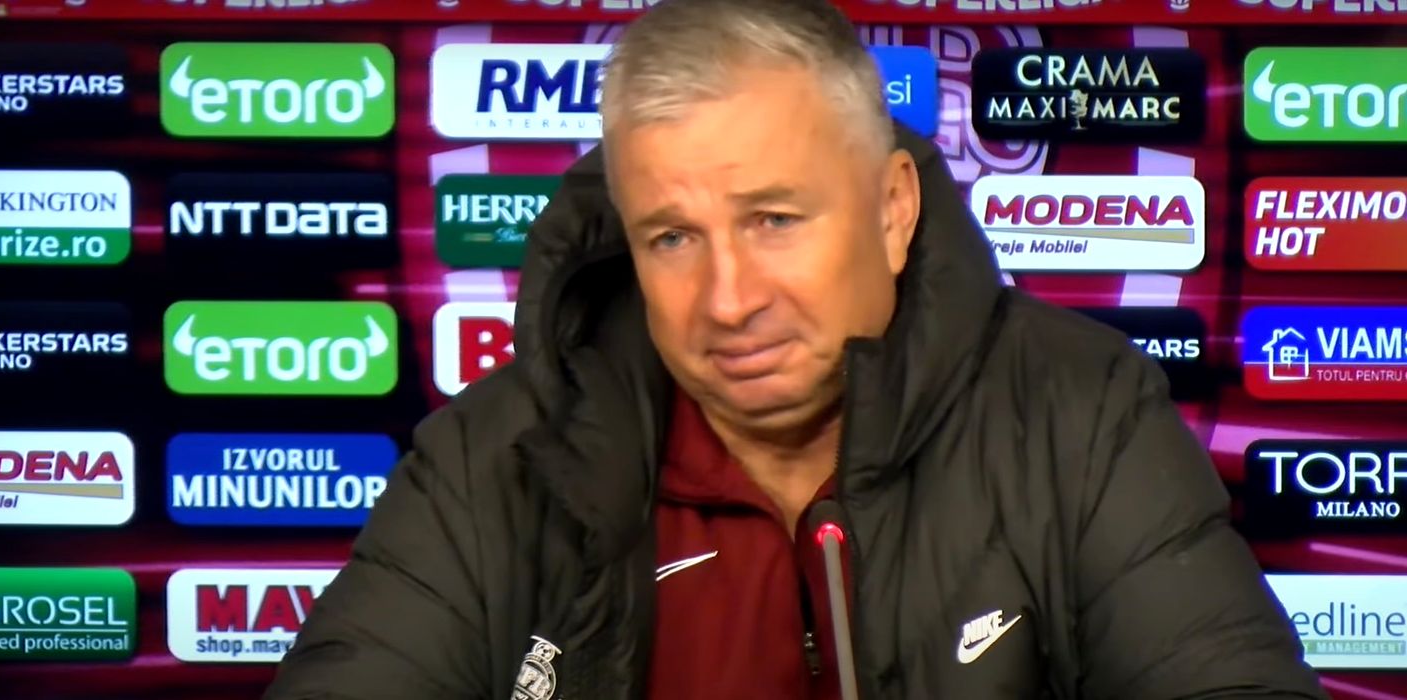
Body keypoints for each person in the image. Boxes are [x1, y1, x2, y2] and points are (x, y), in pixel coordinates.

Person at [264, 0, 1327, 697]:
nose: (728, 301)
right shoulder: (488, 459)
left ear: (893, 210)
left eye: (774, 220)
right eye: (671, 238)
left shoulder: (1079, 414)